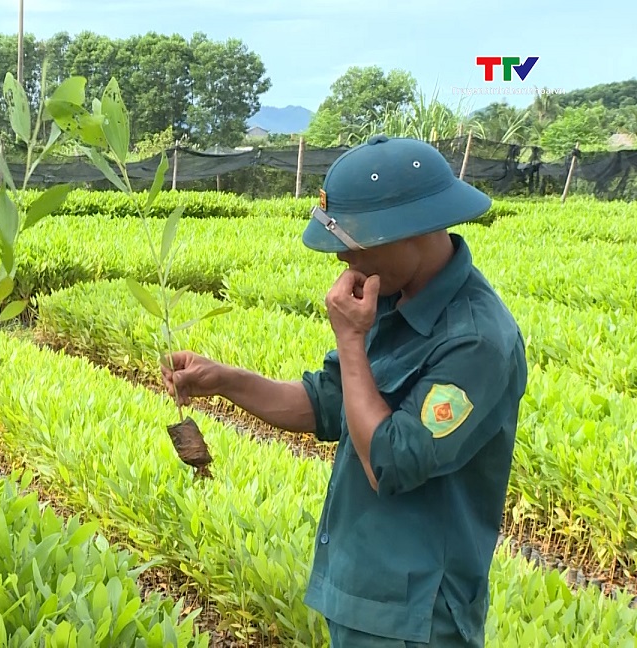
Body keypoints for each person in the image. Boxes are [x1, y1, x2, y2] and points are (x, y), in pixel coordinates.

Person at [161, 134, 527, 647]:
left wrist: (352, 340)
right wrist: (223, 380)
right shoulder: (394, 297)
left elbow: (390, 462)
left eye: (354, 245)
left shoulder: (477, 341)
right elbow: (327, 403)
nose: (342, 260)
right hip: (361, 594)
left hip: (416, 618)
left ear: (411, 232)